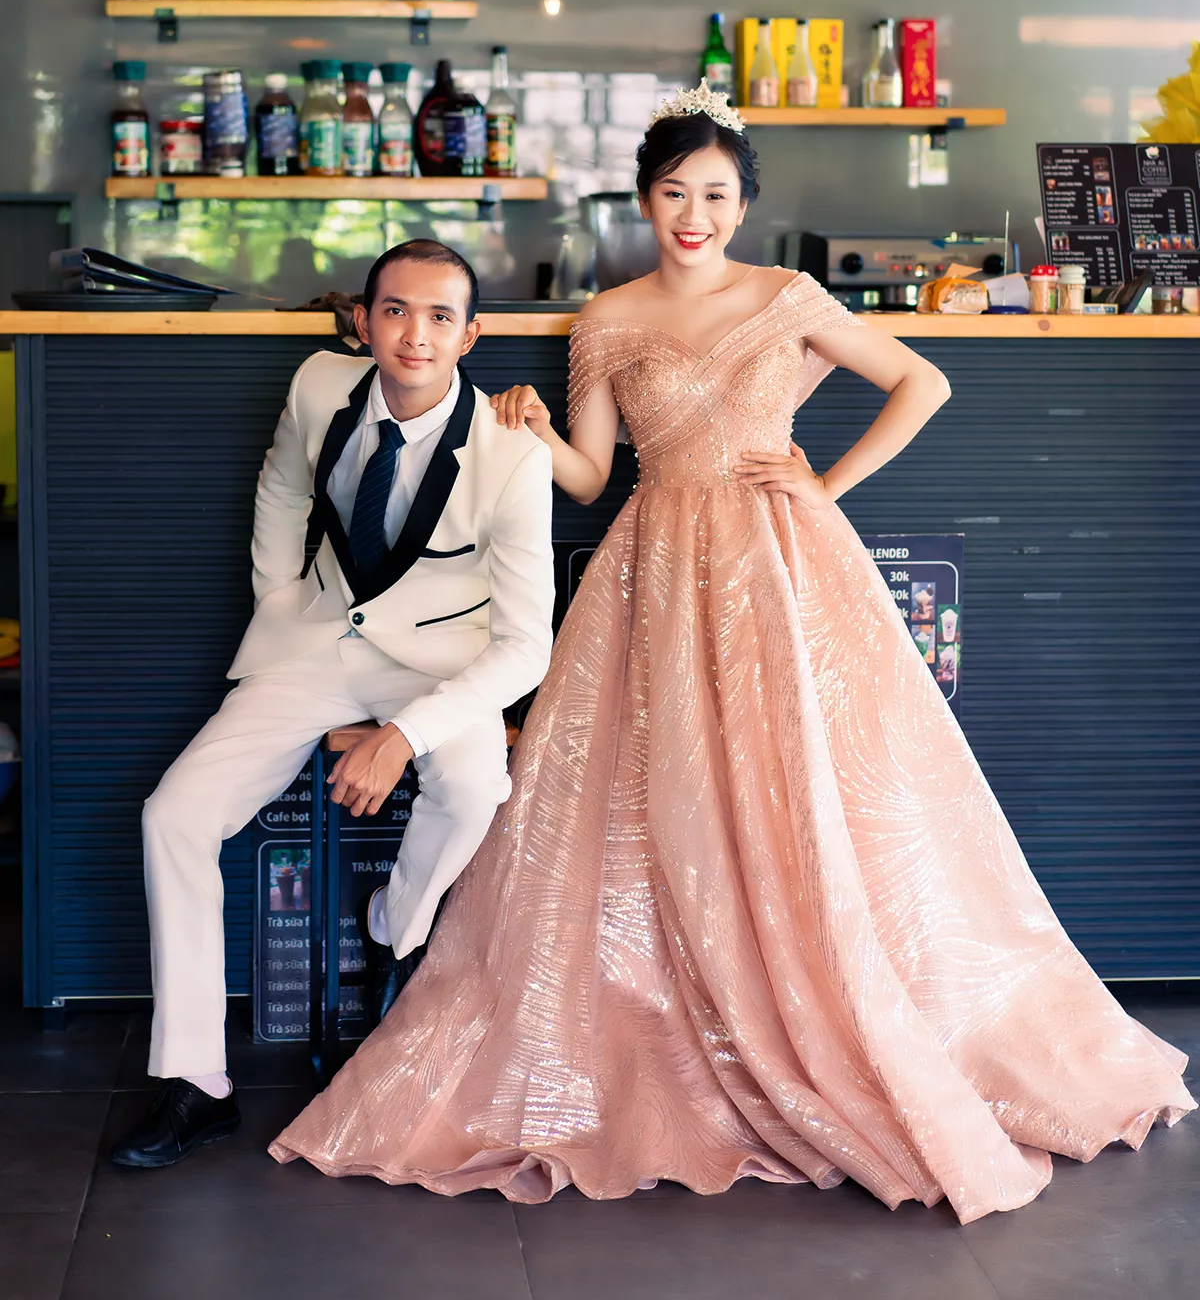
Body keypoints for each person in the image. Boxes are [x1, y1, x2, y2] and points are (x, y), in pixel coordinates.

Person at [270, 85, 1193, 1222]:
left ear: (742, 205)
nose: (693, 216)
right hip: (654, 564)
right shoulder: (606, 320)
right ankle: (676, 1009)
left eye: (714, 195)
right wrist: (534, 428)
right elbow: (593, 479)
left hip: (781, 562)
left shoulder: (788, 296)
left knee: (804, 781)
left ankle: (827, 989)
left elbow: (925, 381)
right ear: (645, 200)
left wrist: (826, 484)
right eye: (674, 194)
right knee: (649, 795)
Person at [111, 239, 554, 1169]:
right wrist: (278, 599)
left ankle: (394, 924)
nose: (415, 335)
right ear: (363, 320)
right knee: (173, 817)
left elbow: (526, 647)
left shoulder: (513, 455)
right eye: (395, 310)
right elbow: (280, 487)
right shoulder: (319, 384)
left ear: (471, 336)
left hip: (441, 665)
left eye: (440, 317)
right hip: (316, 643)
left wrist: (402, 737)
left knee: (475, 786)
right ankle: (196, 1079)